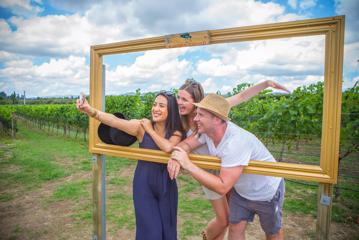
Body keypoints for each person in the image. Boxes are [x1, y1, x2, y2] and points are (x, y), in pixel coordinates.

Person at [169, 79, 288, 240]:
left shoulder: (234, 141)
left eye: (200, 115)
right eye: (178, 97)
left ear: (217, 119)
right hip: (237, 186)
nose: (196, 119)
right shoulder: (203, 129)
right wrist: (177, 157)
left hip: (265, 190)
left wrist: (265, 84)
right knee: (233, 227)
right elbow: (185, 144)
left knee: (272, 232)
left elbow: (241, 96)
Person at [76, 91, 184, 240]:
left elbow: (167, 147)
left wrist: (150, 130)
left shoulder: (176, 132)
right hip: (144, 185)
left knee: (168, 232)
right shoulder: (140, 127)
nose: (155, 109)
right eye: (154, 104)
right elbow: (114, 121)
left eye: (161, 106)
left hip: (167, 185)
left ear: (170, 110)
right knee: (151, 233)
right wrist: (91, 110)